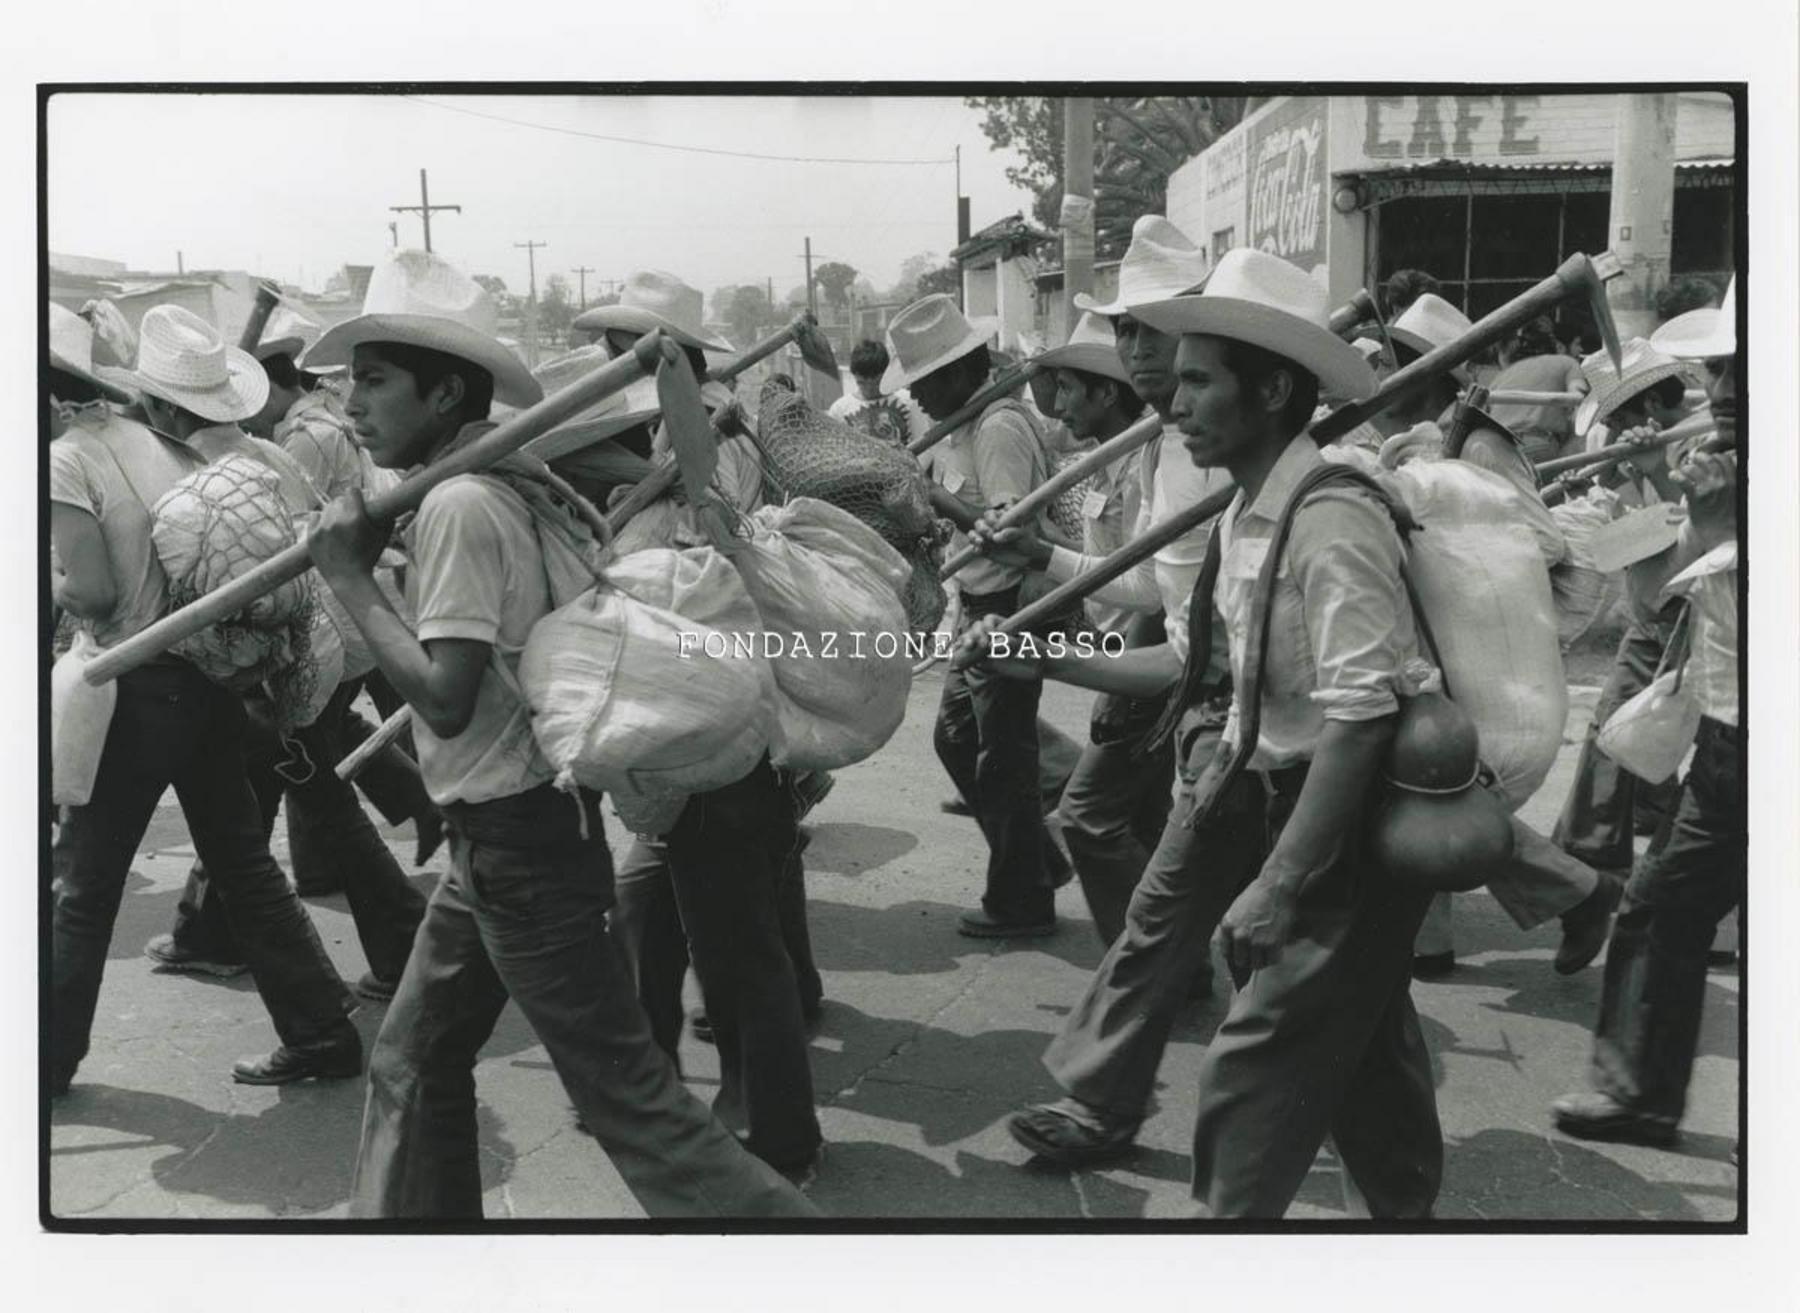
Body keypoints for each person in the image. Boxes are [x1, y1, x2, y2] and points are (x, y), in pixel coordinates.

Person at [303, 250, 813, 1218]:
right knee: (411, 1057)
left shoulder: (460, 502)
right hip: (494, 838)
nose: (351, 404)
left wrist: (349, 576)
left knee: (641, 1113)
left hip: (521, 848)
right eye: (349, 383)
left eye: (372, 381)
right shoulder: (502, 479)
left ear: (444, 387)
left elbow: (445, 700)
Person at [972, 249, 1442, 1216]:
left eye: (1195, 379)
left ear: (1271, 388)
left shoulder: (1334, 520)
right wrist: (1052, 661)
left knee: (1255, 1068)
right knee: (1372, 1053)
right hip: (1250, 785)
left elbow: (1360, 721)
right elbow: (1194, 673)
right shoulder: (1243, 514)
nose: (1173, 402)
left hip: (1332, 832)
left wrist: (1276, 884)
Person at [50, 302, 362, 1091]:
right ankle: (322, 1030)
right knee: (245, 864)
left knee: (83, 887)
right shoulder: (176, 449)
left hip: (132, 687)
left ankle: (45, 1064)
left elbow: (90, 591)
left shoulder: (69, 458)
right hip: (213, 682)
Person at [1552, 279, 1740, 1149]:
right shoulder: (1721, 469)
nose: (1726, 392)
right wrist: (1698, 509)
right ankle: (1638, 1092)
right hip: (1730, 732)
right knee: (1660, 902)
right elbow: (1683, 590)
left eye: (1740, 372)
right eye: (1722, 372)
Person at [966, 312, 1166, 947]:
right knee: (1138, 817)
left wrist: (1036, 558)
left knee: (1092, 818)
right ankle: (1161, 956)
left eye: (1070, 392)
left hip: (1146, 653)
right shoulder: (1102, 462)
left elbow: (1147, 587)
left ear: (1107, 392)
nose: (1058, 409)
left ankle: (1151, 956)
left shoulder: (1145, 463)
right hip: (1123, 650)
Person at [889, 292, 1072, 938]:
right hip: (976, 602)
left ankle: (1022, 896)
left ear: (959, 373)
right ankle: (1039, 860)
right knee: (960, 739)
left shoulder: (997, 427)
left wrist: (936, 495)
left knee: (1003, 757)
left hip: (1010, 605)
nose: (919, 401)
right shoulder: (961, 426)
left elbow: (1009, 530)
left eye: (927, 385)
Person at [827, 338, 929, 447]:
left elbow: (925, 447)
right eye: (862, 383)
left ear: (886, 374)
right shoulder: (839, 410)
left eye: (876, 383)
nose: (869, 389)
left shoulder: (908, 400)